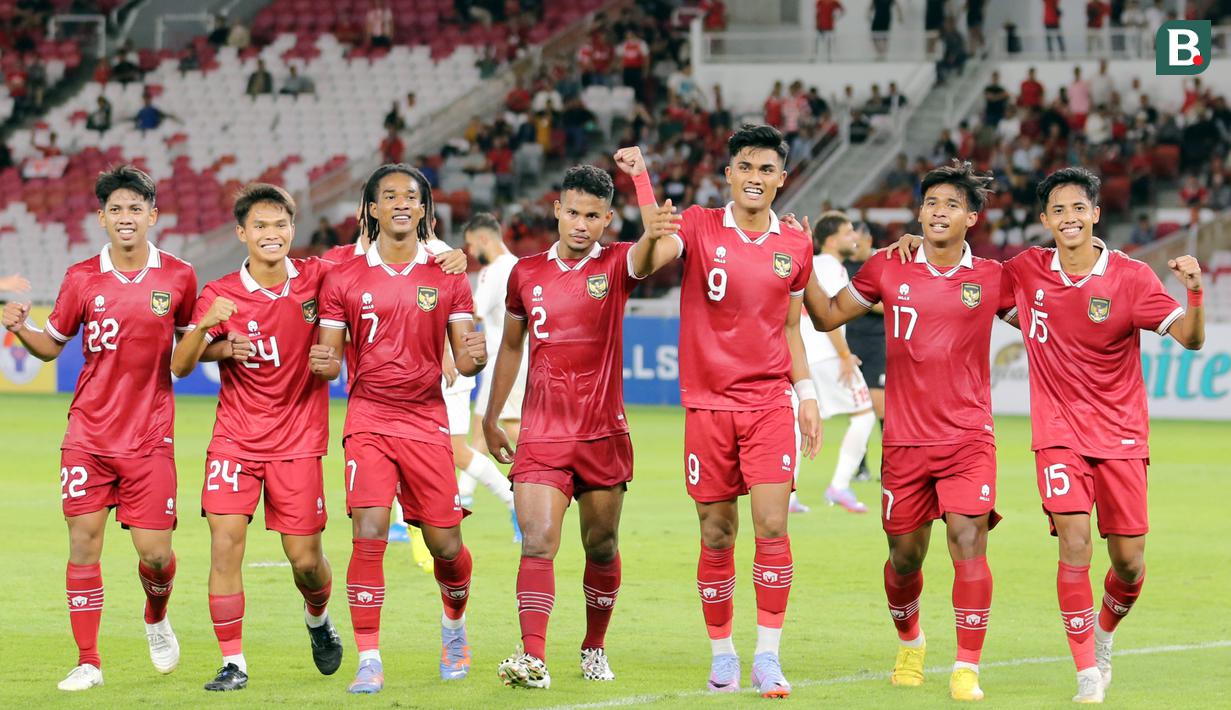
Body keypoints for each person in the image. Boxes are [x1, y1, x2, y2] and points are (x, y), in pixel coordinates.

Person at [615, 124, 821, 699]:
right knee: (716, 531)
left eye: (767, 170)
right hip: (707, 407)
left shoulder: (796, 245)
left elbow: (791, 329)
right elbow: (655, 255)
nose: (755, 179)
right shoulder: (701, 225)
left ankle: (769, 657)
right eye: (745, 168)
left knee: (773, 525)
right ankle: (724, 654)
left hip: (769, 404)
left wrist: (807, 396)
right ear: (728, 173)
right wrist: (642, 184)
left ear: (782, 179)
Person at [801, 162, 1009, 702]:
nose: (939, 212)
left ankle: (967, 667)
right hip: (905, 442)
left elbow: (1051, 313)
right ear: (919, 212)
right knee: (904, 558)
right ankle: (911, 642)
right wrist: (799, 261)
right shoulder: (887, 267)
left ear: (972, 217)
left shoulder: (993, 277)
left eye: (951, 205)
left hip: (968, 438)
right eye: (931, 203)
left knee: (968, 540)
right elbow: (825, 317)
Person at [1001, 167, 1204, 702]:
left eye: (1078, 208)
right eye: (1057, 211)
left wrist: (1195, 294)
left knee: (1129, 564)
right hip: (1057, 434)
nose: (1068, 218)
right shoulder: (1025, 270)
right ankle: (1087, 672)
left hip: (1121, 437)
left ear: (1096, 213)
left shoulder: (1132, 277)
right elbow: (967, 284)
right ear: (1044, 220)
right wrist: (918, 244)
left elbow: (1190, 339)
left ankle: (1105, 633)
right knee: (1074, 542)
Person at [1, 166, 197, 691]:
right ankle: (88, 660)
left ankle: (156, 616)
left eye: (136, 208)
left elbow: (189, 352)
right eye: (116, 209)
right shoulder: (81, 277)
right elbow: (52, 346)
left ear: (153, 215)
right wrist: (21, 327)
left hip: (151, 436)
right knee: (83, 546)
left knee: (155, 555)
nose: (126, 218)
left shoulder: (179, 276)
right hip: (87, 436)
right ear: (101, 218)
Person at [486, 165, 671, 689]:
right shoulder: (525, 273)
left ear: (608, 219)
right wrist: (491, 415)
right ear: (556, 210)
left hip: (602, 435)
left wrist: (643, 182)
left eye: (593, 216)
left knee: (602, 545)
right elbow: (511, 345)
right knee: (538, 541)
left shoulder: (615, 264)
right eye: (573, 212)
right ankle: (533, 658)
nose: (582, 224)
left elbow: (664, 245)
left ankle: (593, 647)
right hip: (542, 434)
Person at [313, 164, 487, 693]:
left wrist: (475, 359)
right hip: (367, 416)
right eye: (389, 196)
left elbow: (464, 353)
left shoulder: (447, 271)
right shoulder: (344, 274)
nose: (401, 204)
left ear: (425, 209)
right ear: (372, 208)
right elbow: (329, 353)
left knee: (446, 545)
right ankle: (369, 658)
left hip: (425, 418)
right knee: (367, 532)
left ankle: (454, 630)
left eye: (411, 196)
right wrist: (323, 363)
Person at [169, 184, 344, 691]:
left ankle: (318, 619)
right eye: (260, 227)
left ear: (293, 229)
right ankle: (233, 663)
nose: (271, 234)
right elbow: (179, 366)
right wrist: (211, 334)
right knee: (225, 547)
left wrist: (441, 255)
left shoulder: (317, 277)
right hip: (235, 440)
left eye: (280, 225)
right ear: (241, 233)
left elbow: (376, 260)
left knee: (306, 560)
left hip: (298, 442)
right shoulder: (220, 295)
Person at [796, 211, 876, 514]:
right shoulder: (830, 267)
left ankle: (788, 492)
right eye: (849, 231)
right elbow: (826, 314)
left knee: (795, 422)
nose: (854, 236)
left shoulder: (814, 265)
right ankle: (840, 486)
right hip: (828, 356)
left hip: (805, 356)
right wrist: (844, 355)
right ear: (831, 240)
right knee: (865, 415)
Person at [463, 213, 527, 454]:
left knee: (511, 424)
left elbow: (474, 311)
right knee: (482, 429)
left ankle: (547, 477)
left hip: (503, 359)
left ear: (483, 238)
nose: (470, 251)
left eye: (471, 243)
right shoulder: (517, 265)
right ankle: (464, 491)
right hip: (517, 354)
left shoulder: (494, 270)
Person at [842, 225, 885, 481]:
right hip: (852, 342)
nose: (854, 247)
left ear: (868, 239)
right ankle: (861, 467)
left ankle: (887, 464)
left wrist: (858, 301)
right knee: (857, 407)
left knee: (879, 406)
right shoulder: (844, 267)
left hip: (878, 343)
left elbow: (887, 303)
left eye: (858, 242)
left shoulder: (881, 263)